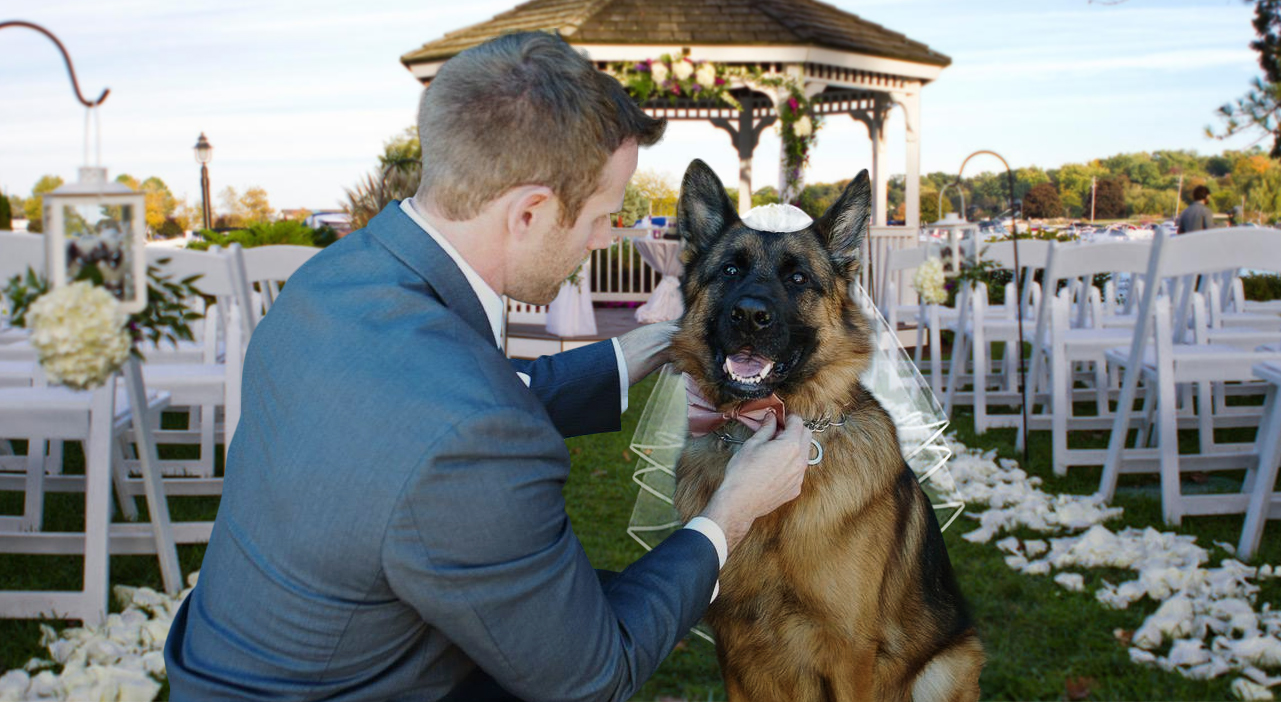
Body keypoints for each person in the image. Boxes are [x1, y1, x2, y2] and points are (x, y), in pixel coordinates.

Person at [165, 32, 813, 701]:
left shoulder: (329, 282)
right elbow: (592, 675)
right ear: (529, 212)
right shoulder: (469, 437)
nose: (605, 239)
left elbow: (444, 405)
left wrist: (646, 346)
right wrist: (733, 508)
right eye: (601, 217)